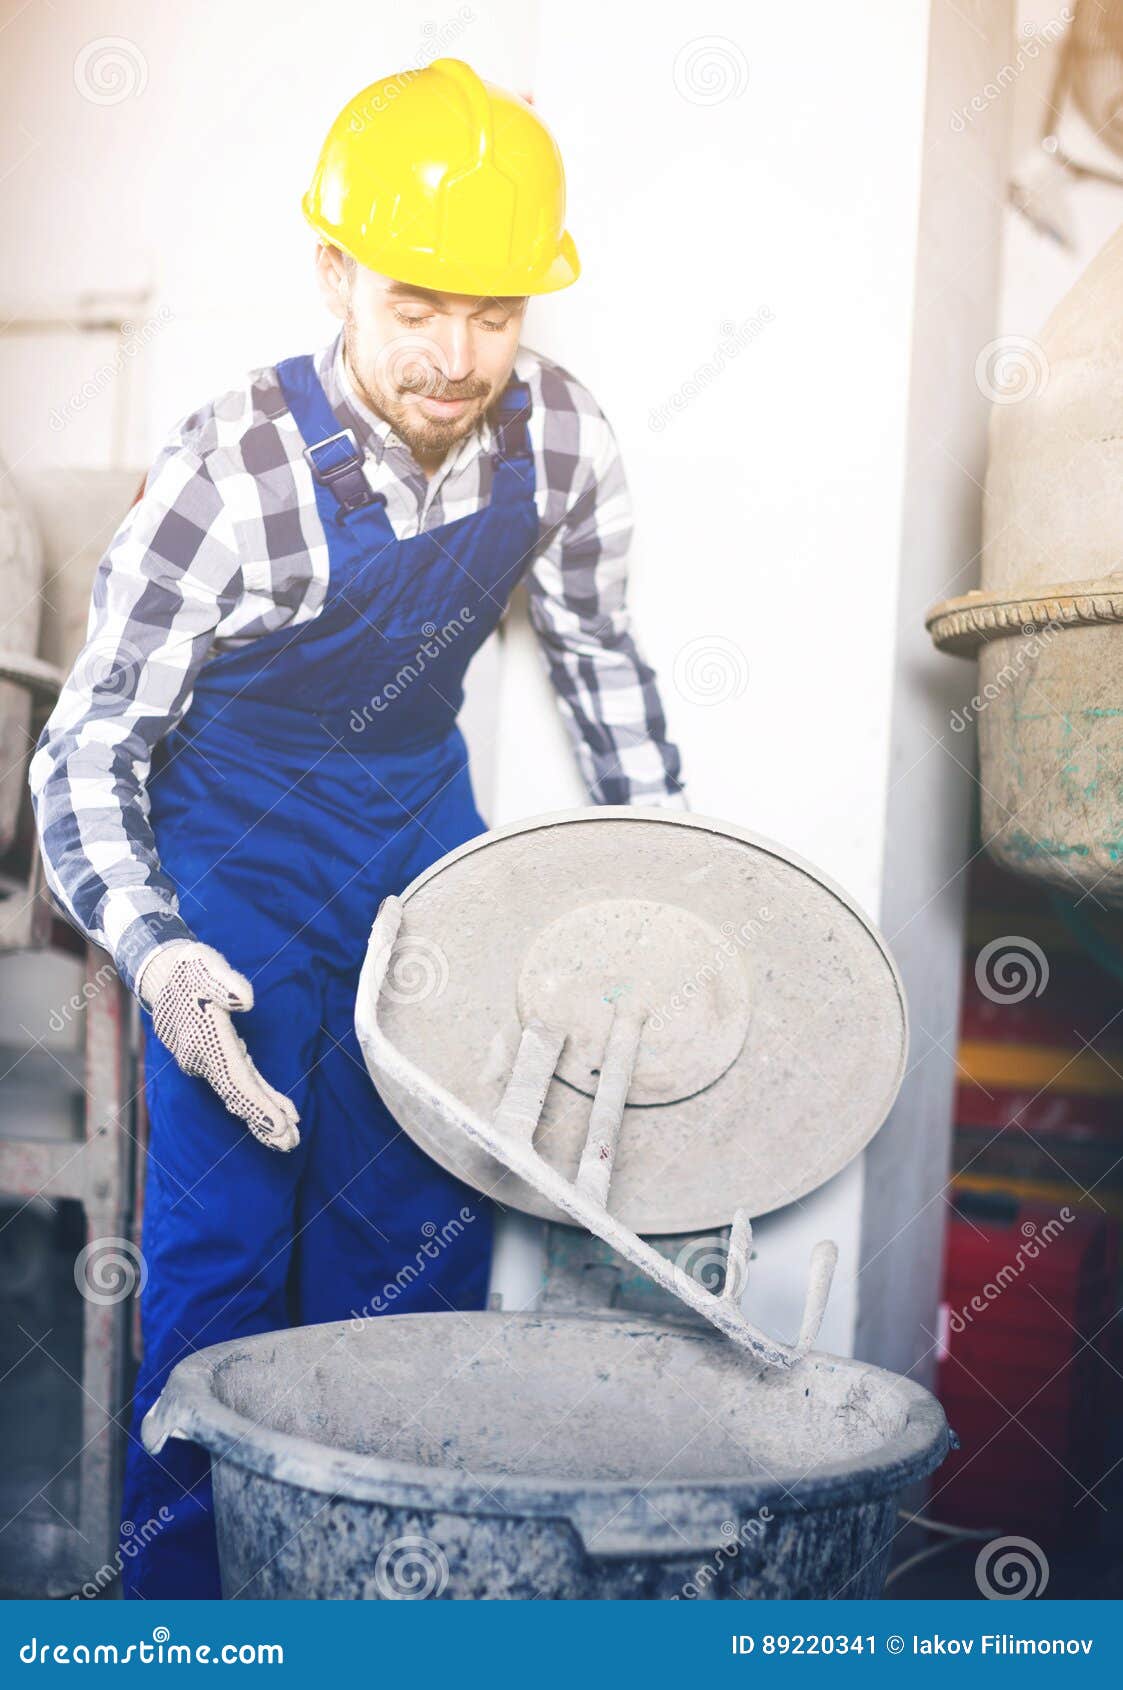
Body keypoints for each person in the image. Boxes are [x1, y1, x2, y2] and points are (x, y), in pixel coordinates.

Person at [30, 56, 685, 1597]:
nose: (460, 356)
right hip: (232, 875)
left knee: (415, 1265)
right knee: (220, 1280)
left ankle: (383, 1617)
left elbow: (599, 656)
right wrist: (162, 955)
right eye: (416, 304)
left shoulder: (563, 440)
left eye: (499, 311)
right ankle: (183, 1621)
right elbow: (82, 753)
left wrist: (665, 881)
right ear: (335, 273)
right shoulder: (231, 468)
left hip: (420, 850)